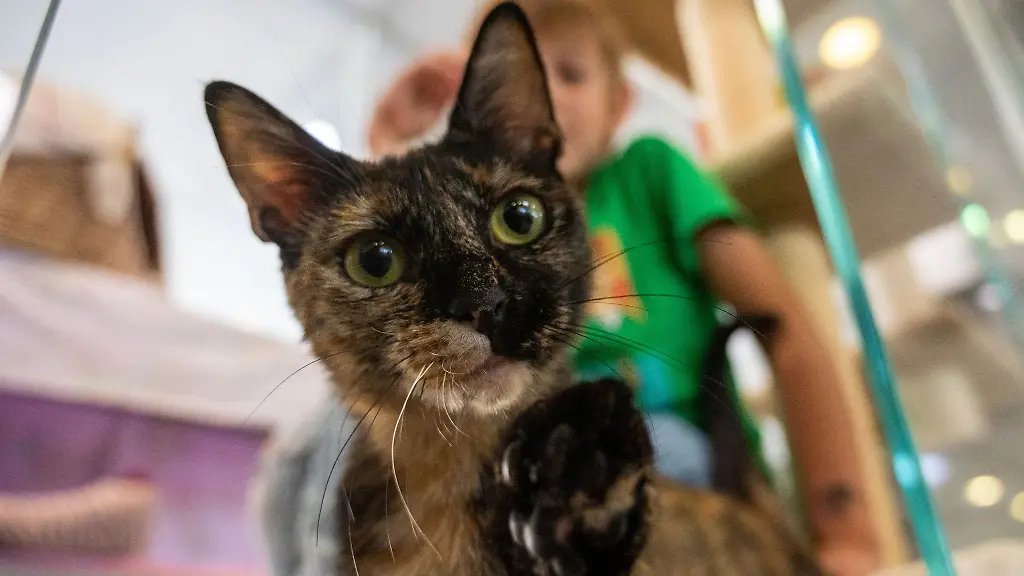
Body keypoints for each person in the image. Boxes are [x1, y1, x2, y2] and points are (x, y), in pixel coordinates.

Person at [366, 2, 881, 574]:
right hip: (532, 469)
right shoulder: (474, 223)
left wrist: (846, 529)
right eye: (501, 82)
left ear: (621, 103)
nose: (539, 96)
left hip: (667, 460)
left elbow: (786, 333)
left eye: (569, 73)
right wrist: (387, 145)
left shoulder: (647, 171)